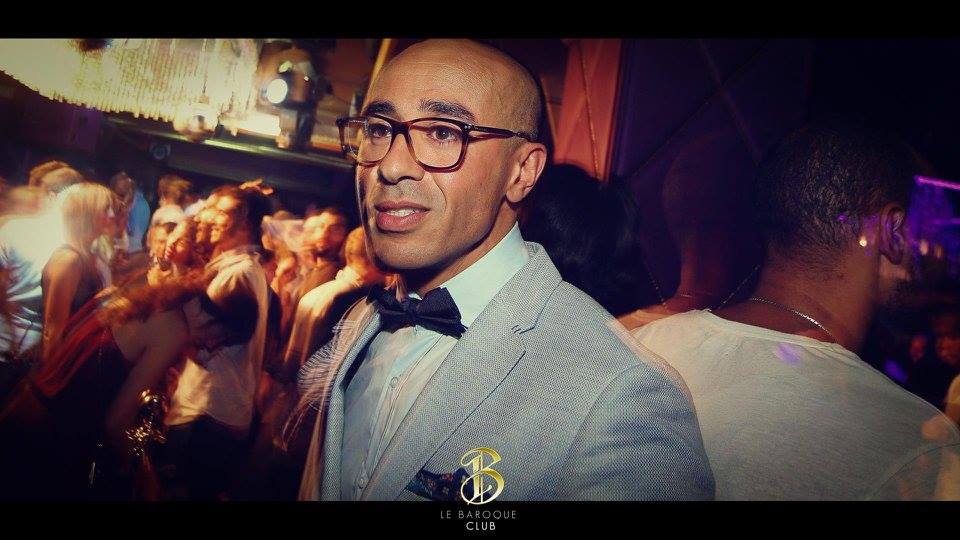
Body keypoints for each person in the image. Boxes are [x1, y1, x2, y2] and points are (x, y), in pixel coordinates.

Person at [295, 39, 713, 501]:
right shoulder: (364, 318)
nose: (390, 166)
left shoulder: (622, 396)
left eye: (443, 133)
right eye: (378, 129)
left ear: (522, 171)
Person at [631, 118, 960, 500]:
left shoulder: (638, 348)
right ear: (893, 232)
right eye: (927, 231)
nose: (937, 254)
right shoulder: (915, 448)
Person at [0, 268, 255, 500]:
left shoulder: (154, 295)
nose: (211, 346)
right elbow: (115, 423)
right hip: (49, 440)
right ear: (216, 317)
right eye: (223, 337)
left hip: (27, 409)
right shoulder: (176, 330)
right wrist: (145, 474)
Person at [161, 183, 272, 500]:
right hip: (212, 413)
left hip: (208, 416)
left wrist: (177, 277)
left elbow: (205, 337)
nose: (206, 217)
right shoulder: (233, 268)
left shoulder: (239, 274)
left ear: (245, 223)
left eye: (218, 211)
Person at [41, 182, 119, 361]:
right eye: (105, 209)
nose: (112, 215)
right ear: (86, 213)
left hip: (77, 353)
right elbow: (52, 332)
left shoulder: (90, 254)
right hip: (63, 359)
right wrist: (53, 372)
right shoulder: (69, 260)